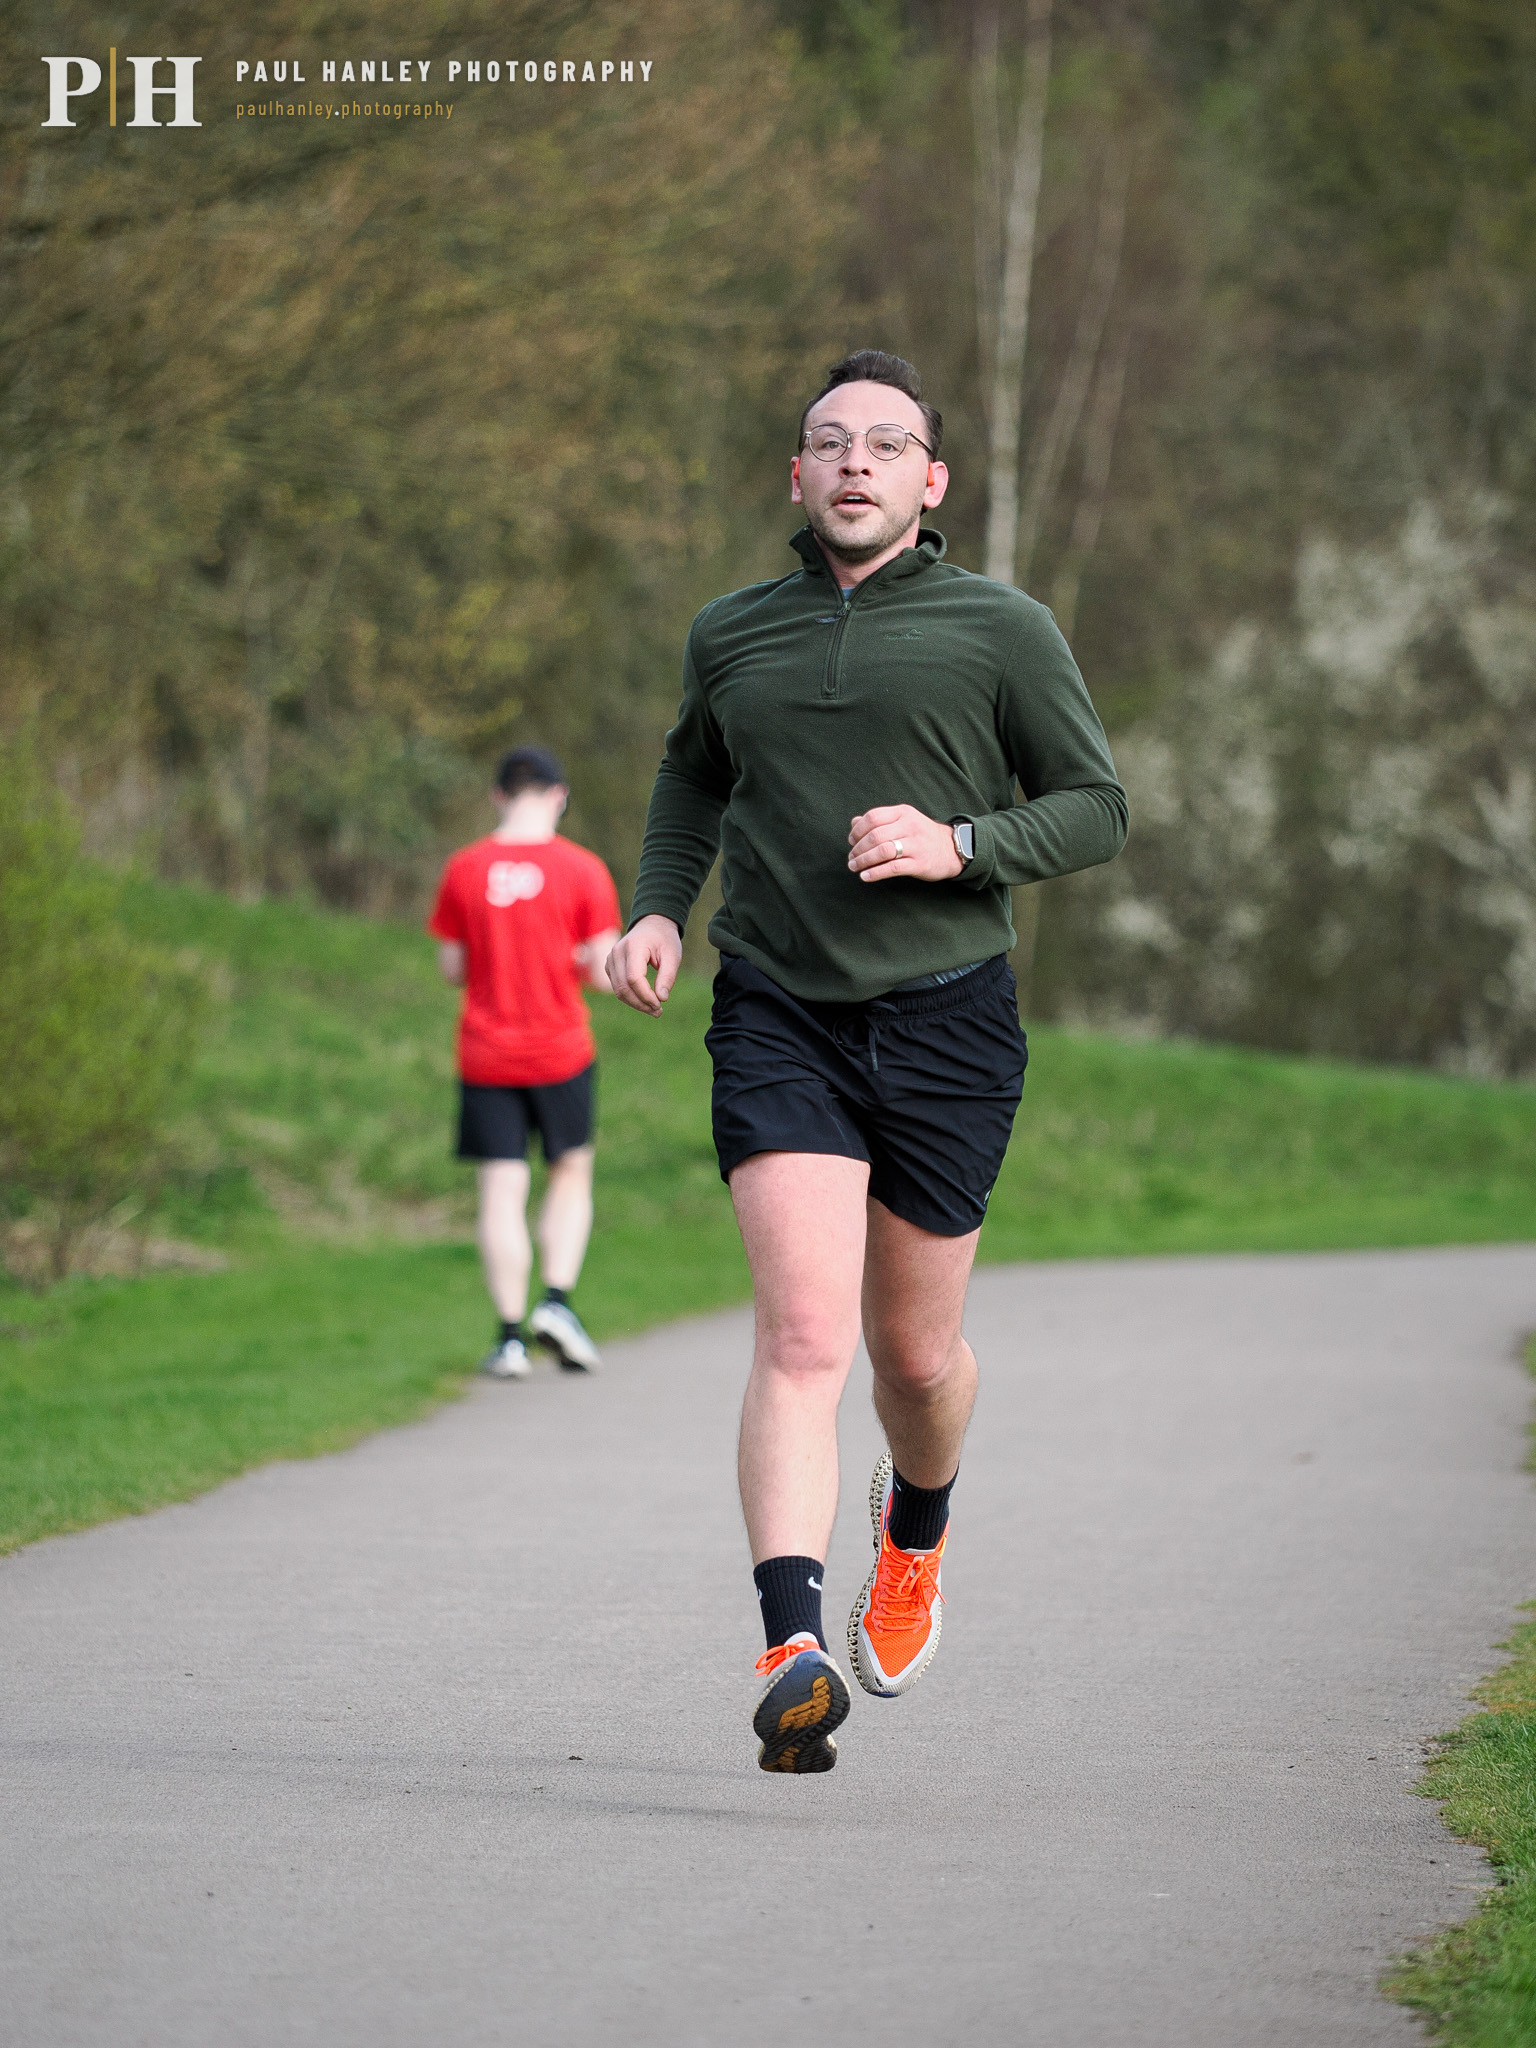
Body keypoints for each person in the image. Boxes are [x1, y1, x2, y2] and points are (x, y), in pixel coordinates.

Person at [608, 350, 1127, 1773]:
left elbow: (1097, 807)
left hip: (951, 1016)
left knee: (913, 1353)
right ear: (796, 474)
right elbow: (690, 774)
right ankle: (790, 1647)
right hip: (779, 1008)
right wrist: (659, 903)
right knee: (803, 1334)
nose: (855, 464)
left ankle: (917, 1527)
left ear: (929, 481)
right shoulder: (733, 633)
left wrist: (963, 846)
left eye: (886, 445)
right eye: (829, 443)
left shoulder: (1000, 629)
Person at [430, 745, 620, 1379]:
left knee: (501, 1189)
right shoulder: (584, 870)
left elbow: (452, 967)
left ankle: (509, 1337)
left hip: (486, 1053)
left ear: (498, 796)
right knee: (569, 1172)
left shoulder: (464, 868)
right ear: (560, 795)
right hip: (560, 1050)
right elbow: (603, 967)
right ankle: (558, 1302)